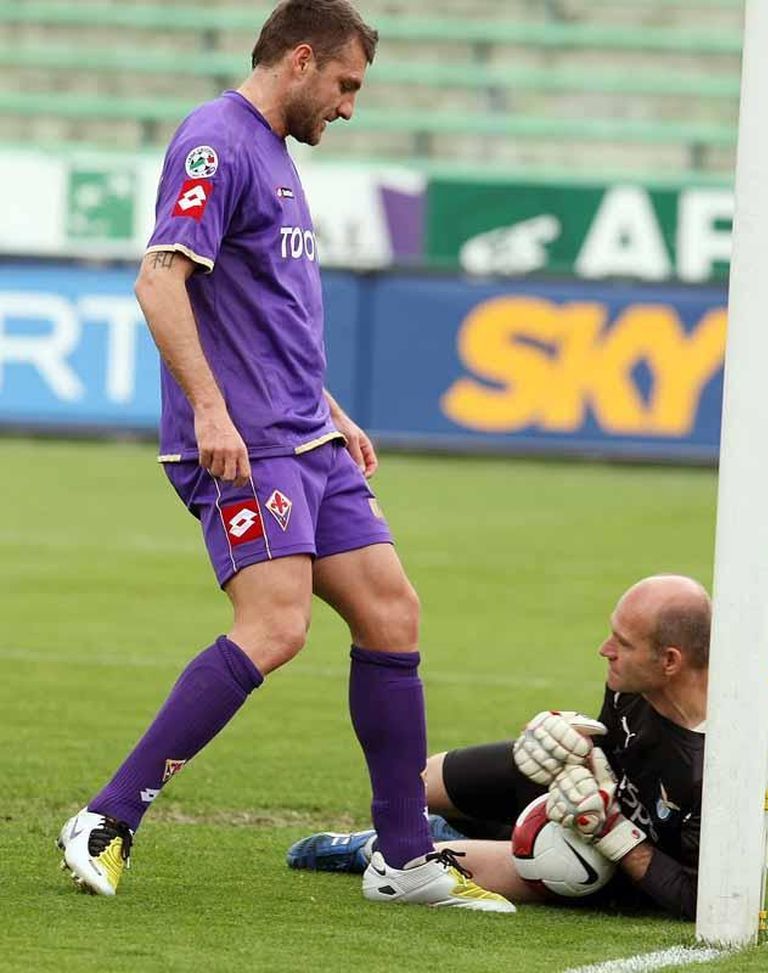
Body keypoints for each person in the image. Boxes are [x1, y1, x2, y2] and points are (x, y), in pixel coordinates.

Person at [56, 0, 513, 914]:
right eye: (345, 85)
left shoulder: (278, 159)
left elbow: (264, 313)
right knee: (276, 626)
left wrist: (331, 410)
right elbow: (160, 284)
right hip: (246, 445)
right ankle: (106, 818)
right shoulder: (215, 143)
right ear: (301, 59)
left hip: (305, 435)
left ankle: (403, 855)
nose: (349, 106)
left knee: (392, 611)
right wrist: (212, 412)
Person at [289, 574, 768, 919]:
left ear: (670, 661)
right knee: (417, 784)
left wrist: (613, 833)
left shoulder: (730, 764)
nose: (604, 650)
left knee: (541, 860)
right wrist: (574, 747)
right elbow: (616, 754)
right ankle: (430, 825)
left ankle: (383, 847)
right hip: (592, 803)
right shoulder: (633, 685)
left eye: (622, 643)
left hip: (618, 864)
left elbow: (701, 900)